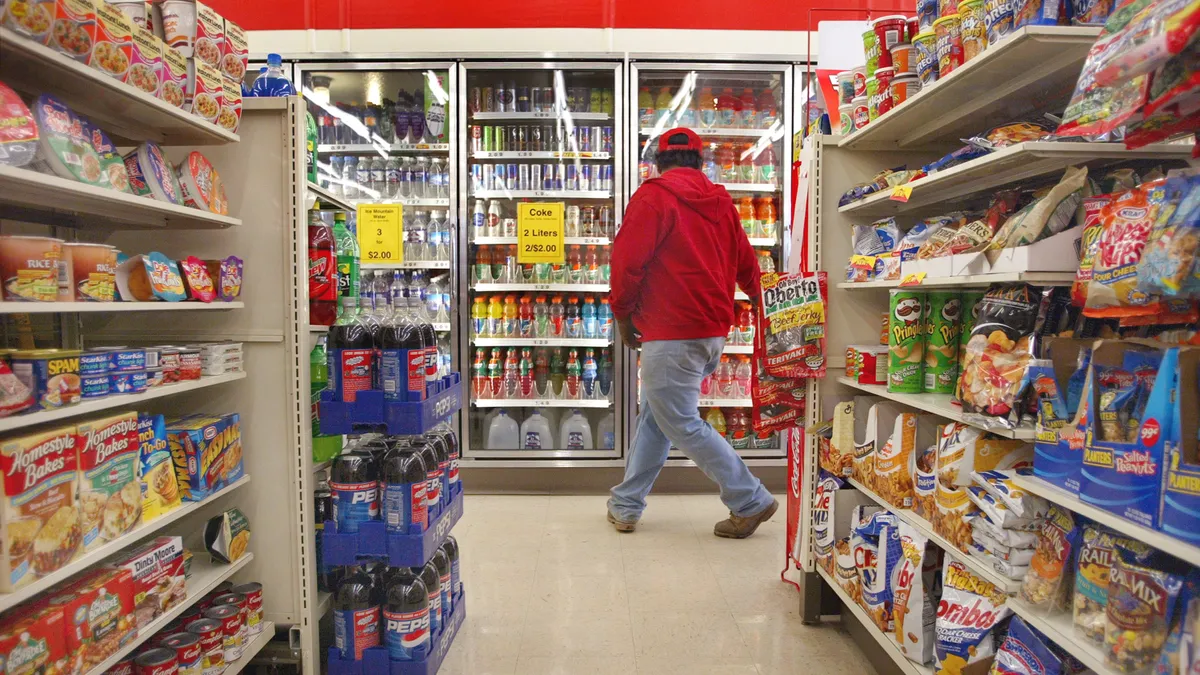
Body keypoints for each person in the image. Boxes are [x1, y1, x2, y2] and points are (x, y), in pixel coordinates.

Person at [606, 127, 777, 539]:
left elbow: (627, 263)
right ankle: (625, 505)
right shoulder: (720, 202)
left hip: (671, 332)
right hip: (712, 333)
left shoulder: (652, 197)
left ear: (658, 163)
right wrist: (765, 304)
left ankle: (750, 499)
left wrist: (623, 315)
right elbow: (746, 263)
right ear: (701, 163)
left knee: (680, 420)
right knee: (656, 417)